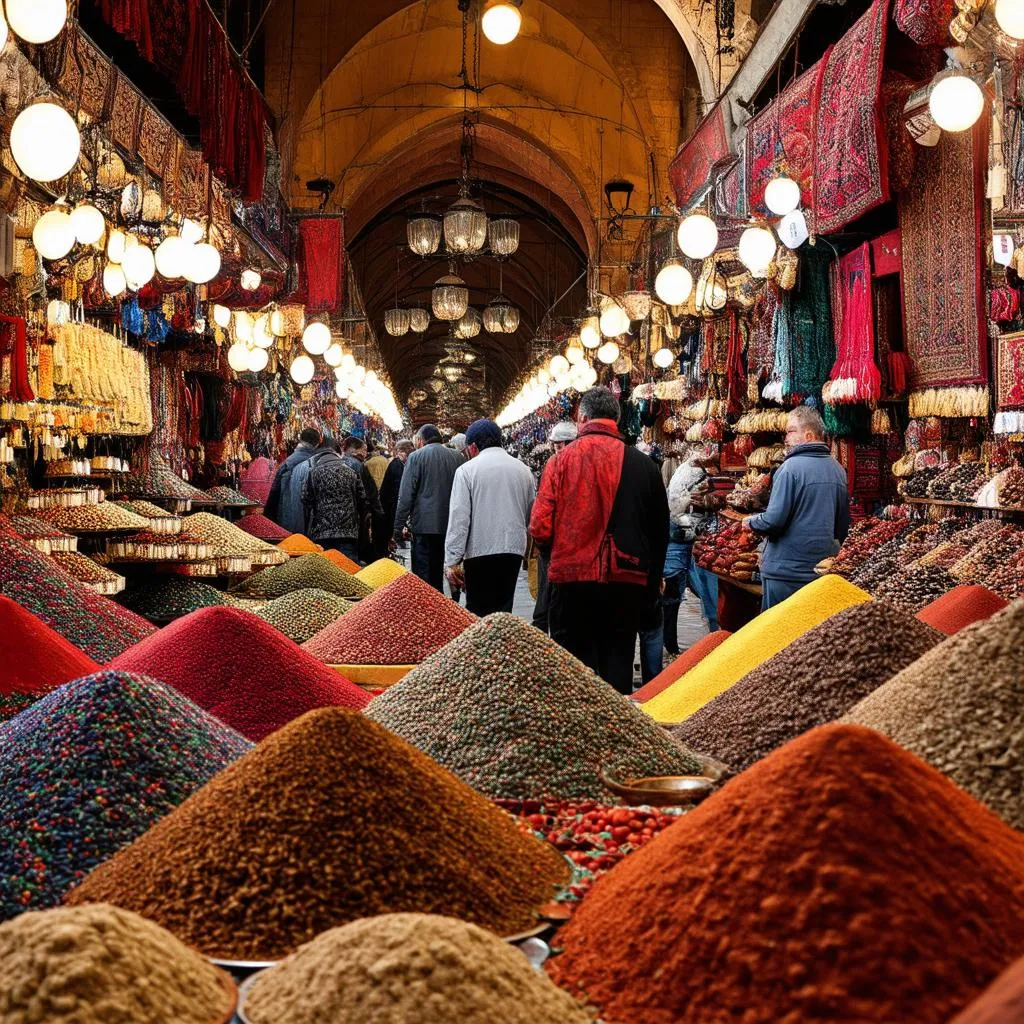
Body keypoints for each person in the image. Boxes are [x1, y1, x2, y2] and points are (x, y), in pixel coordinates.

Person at [530, 387, 668, 695]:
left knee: (571, 672)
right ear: (617, 419)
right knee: (617, 666)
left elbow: (540, 527)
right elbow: (660, 531)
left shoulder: (559, 462)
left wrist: (555, 555)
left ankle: (575, 734)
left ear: (581, 418)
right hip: (626, 582)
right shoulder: (646, 467)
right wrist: (652, 582)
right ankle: (613, 734)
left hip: (570, 583)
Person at [743, 405, 850, 610]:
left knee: (779, 634)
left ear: (808, 435)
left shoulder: (790, 468)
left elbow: (774, 520)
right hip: (820, 571)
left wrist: (751, 522)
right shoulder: (837, 469)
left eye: (791, 431)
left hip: (786, 573)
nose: (786, 437)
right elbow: (842, 527)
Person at [444, 418, 535, 616]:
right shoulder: (523, 470)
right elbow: (531, 516)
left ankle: (481, 647)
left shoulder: (466, 471)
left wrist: (452, 560)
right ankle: (503, 645)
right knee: (503, 611)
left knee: (478, 611)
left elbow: (459, 518)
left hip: (479, 551)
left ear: (474, 447)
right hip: (512, 550)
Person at [394, 423, 463, 592]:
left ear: (421, 440)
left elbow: (406, 495)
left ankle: (430, 609)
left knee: (425, 575)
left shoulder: (416, 457)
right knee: (449, 569)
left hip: (424, 527)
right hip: (451, 526)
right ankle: (451, 607)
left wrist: (397, 527)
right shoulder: (458, 457)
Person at [531, 421, 577, 633]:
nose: (557, 450)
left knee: (548, 590)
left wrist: (540, 538)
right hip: (577, 542)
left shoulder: (555, 464)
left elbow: (544, 506)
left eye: (559, 445)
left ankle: (543, 628)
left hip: (555, 541)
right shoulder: (586, 462)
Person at [664, 449, 711, 651]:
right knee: (673, 594)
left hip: (677, 540)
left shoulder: (685, 470)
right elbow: (680, 513)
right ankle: (670, 644)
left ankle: (669, 642)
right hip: (678, 539)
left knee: (674, 594)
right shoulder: (695, 474)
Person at [301, 439, 368, 563]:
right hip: (348, 533)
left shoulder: (313, 473)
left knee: (327, 574)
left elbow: (306, 500)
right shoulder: (350, 471)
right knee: (348, 570)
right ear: (339, 453)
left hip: (322, 533)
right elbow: (362, 500)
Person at [264, 427, 322, 533]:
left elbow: (274, 492)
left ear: (300, 440)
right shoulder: (318, 464)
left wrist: (268, 515)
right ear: (317, 444)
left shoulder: (287, 463)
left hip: (286, 518)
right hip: (310, 524)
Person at [341, 435, 385, 564]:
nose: (365, 453)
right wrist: (375, 511)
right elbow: (367, 492)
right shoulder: (358, 465)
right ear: (355, 449)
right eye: (364, 450)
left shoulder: (341, 462)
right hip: (357, 515)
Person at [379, 439, 412, 557]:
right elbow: (399, 492)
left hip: (390, 508)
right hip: (391, 509)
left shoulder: (398, 464)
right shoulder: (397, 465)